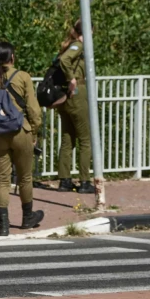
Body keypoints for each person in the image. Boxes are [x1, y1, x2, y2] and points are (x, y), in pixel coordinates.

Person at [0, 41, 45, 236]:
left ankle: (4, 224)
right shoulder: (23, 77)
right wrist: (34, 131)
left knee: (1, 180)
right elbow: (33, 109)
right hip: (21, 131)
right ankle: (27, 218)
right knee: (25, 177)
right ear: (12, 58)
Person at [55, 20, 95, 194]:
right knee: (85, 140)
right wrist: (72, 79)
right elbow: (65, 61)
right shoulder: (78, 45)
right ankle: (85, 181)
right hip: (76, 94)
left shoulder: (69, 45)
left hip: (66, 98)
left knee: (67, 138)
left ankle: (64, 180)